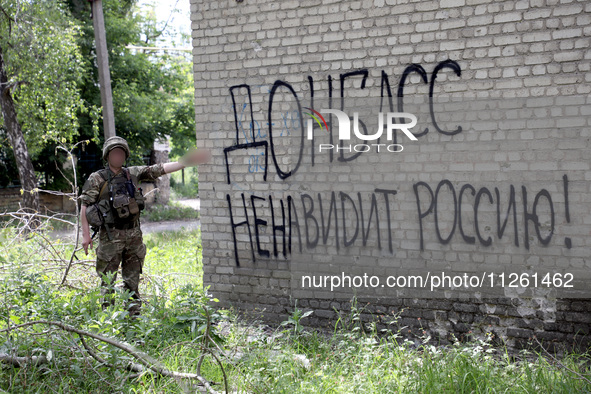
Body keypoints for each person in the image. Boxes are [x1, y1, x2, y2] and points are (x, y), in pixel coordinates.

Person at [79, 136, 210, 316]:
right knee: (107, 283)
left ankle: (133, 318)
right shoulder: (96, 178)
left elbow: (160, 169)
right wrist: (86, 236)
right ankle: (107, 322)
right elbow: (84, 206)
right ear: (107, 156)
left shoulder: (132, 173)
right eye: (114, 153)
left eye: (121, 153)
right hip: (109, 238)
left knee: (132, 282)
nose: (118, 156)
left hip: (133, 237)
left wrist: (185, 162)